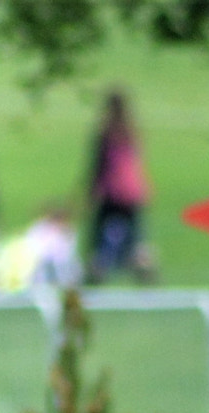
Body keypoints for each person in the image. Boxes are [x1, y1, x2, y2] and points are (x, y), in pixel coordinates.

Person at [88, 90, 152, 281]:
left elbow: (99, 165)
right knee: (137, 233)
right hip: (132, 191)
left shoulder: (106, 132)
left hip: (112, 191)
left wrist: (92, 189)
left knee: (100, 232)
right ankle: (143, 264)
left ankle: (98, 268)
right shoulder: (132, 131)